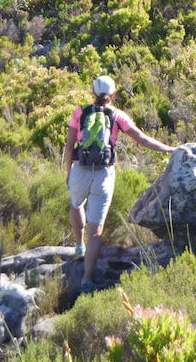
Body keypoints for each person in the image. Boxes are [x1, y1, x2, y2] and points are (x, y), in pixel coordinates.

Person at [64, 75, 175, 293]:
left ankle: (78, 247)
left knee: (76, 205)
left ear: (93, 92)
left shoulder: (79, 112)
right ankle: (86, 280)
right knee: (96, 231)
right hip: (104, 174)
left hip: (79, 170)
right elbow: (142, 139)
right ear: (113, 95)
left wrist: (68, 172)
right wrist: (169, 149)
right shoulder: (117, 115)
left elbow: (69, 146)